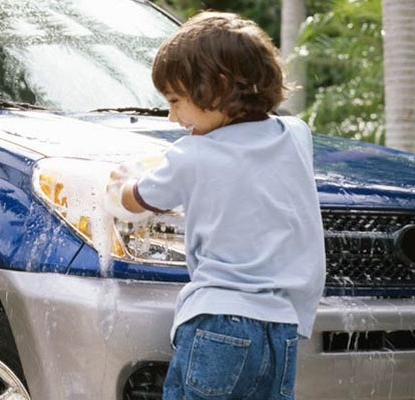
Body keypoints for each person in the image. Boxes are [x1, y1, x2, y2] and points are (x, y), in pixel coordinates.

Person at [106, 11, 326, 400]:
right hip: (282, 331)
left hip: (219, 323)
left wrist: (122, 181)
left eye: (176, 101)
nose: (172, 116)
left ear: (218, 87)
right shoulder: (296, 136)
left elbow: (137, 200)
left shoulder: (192, 155)